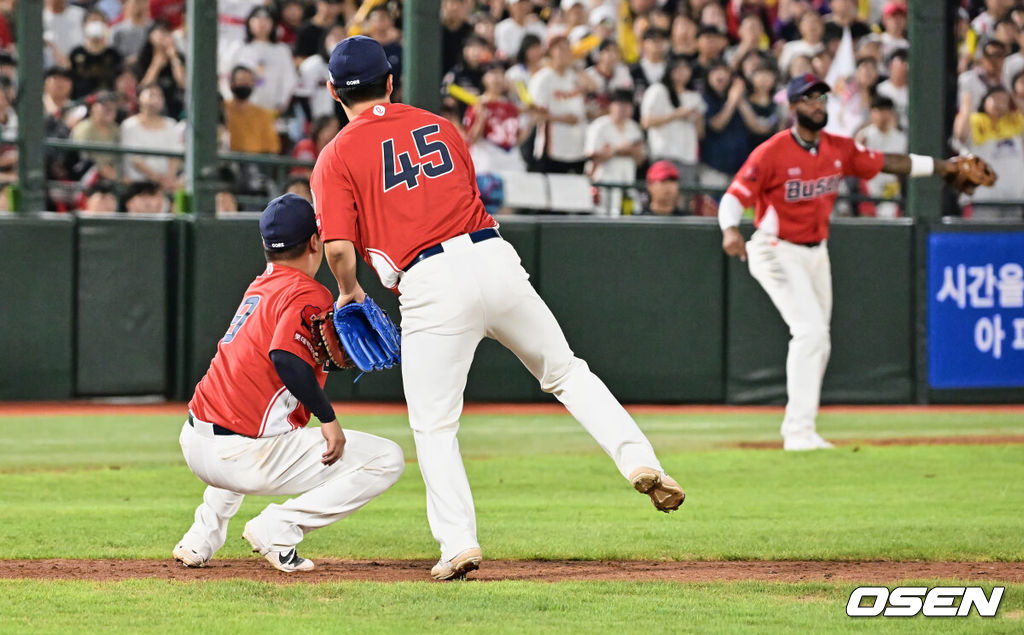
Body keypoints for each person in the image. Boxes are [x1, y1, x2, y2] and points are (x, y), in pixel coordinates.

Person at [311, 36, 684, 581]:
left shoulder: (336, 154)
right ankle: (639, 460)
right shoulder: (441, 126)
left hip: (428, 280)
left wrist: (349, 292)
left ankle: (458, 543)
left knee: (435, 425)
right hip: (492, 257)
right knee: (566, 372)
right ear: (390, 81)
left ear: (331, 91)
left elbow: (341, 249)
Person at [718, 73, 969, 450]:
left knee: (820, 340)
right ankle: (798, 433)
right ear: (793, 106)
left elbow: (889, 162)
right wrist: (729, 229)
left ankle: (803, 428)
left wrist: (942, 167)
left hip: (816, 252)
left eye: (821, 98)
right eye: (808, 99)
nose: (817, 105)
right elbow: (734, 196)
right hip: (774, 248)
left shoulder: (838, 147)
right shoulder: (771, 152)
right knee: (810, 333)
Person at [173, 193, 405, 572]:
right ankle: (279, 526)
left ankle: (200, 537)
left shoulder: (260, 286)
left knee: (248, 423)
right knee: (387, 459)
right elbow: (284, 357)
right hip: (240, 456)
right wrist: (328, 420)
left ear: (266, 246)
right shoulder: (308, 291)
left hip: (195, 441)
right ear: (316, 241)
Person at [120, 84, 182, 190]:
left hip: (168, 183)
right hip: (138, 183)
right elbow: (135, 159)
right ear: (139, 98)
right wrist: (157, 178)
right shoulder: (129, 125)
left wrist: (169, 178)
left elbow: (176, 154)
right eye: (151, 95)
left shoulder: (171, 124)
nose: (156, 99)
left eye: (160, 96)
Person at [224, 66, 281, 154]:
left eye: (249, 81)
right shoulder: (222, 108)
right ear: (232, 83)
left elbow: (272, 147)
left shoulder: (263, 114)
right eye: (241, 80)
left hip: (254, 160)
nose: (245, 84)